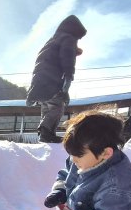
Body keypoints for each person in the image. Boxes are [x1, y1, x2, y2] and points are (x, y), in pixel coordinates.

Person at [26, 14, 87, 143]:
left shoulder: (52, 41)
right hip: (52, 79)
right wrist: (69, 76)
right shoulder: (68, 39)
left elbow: (44, 61)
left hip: (39, 81)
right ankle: (46, 132)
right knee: (57, 105)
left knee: (47, 107)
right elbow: (67, 58)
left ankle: (45, 135)